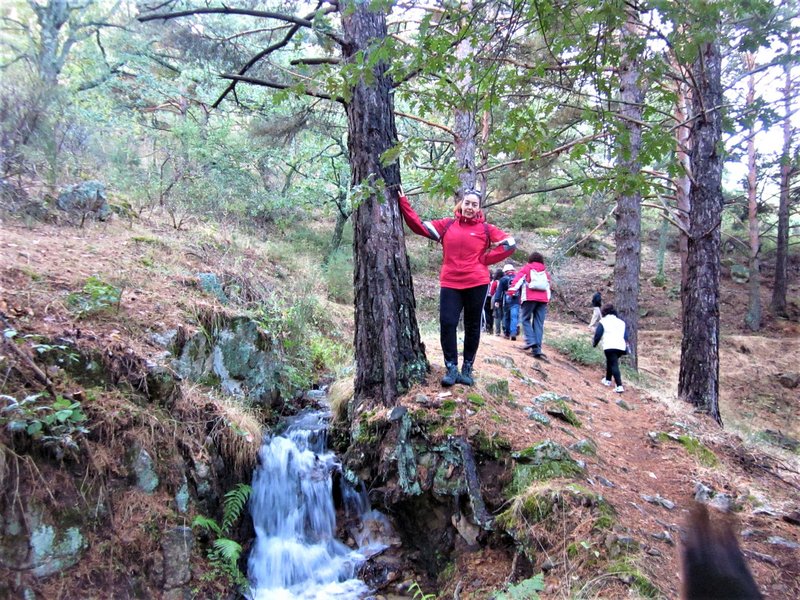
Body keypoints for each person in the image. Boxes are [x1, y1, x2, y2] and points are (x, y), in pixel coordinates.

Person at [398, 187, 516, 386]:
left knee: (472, 326)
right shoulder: (447, 225)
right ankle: (451, 368)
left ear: (479, 208)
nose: (470, 207)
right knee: (447, 323)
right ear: (461, 204)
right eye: (467, 203)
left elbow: (510, 244)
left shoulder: (485, 229)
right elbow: (418, 226)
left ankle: (467, 369)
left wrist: (486, 259)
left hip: (477, 283)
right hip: (451, 282)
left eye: (474, 205)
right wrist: (403, 202)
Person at [509, 251, 551, 359]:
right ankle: (537, 349)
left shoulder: (527, 268)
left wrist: (512, 291)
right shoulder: (545, 271)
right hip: (543, 299)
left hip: (529, 297)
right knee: (538, 323)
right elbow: (548, 285)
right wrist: (547, 299)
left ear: (530, 259)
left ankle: (530, 341)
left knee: (525, 319)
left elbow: (518, 280)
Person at [592, 303, 628, 393]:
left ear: (604, 312)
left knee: (613, 364)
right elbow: (626, 336)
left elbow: (598, 335)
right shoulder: (621, 322)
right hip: (621, 346)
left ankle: (619, 386)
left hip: (610, 345)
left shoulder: (603, 321)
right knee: (611, 362)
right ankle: (607, 380)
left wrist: (594, 344)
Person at [494, 264, 520, 340]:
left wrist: (497, 300)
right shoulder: (518, 278)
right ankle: (513, 333)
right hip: (516, 299)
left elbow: (499, 291)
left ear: (505, 271)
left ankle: (507, 333)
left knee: (507, 317)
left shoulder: (503, 279)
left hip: (507, 299)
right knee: (514, 316)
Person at [483, 269, 501, 333]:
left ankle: (488, 326)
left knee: (486, 312)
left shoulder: (485, 281)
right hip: (493, 298)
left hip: (486, 297)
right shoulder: (495, 282)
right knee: (492, 313)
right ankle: (491, 326)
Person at [490, 268, 504, 335]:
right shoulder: (505, 280)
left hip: (496, 300)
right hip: (504, 299)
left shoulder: (495, 282)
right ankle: (505, 330)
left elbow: (491, 292)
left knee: (497, 315)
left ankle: (498, 331)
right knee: (504, 315)